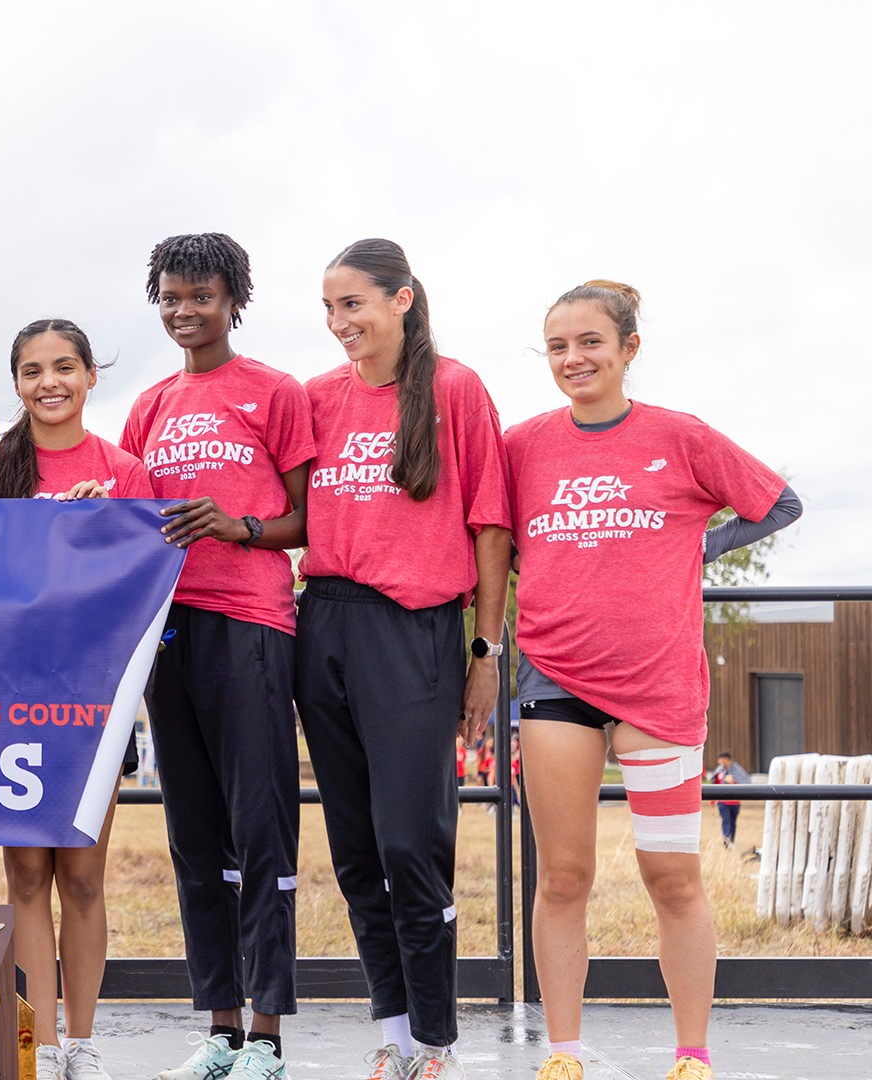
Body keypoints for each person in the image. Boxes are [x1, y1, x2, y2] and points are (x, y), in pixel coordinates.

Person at [508, 281, 798, 1080]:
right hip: (555, 680)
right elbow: (488, 533)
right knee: (562, 877)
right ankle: (563, 1053)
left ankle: (692, 1054)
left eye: (590, 342)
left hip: (658, 687)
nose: (573, 358)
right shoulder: (522, 444)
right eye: (558, 346)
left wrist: (700, 547)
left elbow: (779, 503)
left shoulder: (680, 435)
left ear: (628, 348)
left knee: (672, 877)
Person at [297, 239, 511, 1080]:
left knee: (409, 846)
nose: (338, 321)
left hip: (414, 629)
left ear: (403, 299)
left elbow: (491, 525)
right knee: (354, 850)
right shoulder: (316, 397)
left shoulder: (454, 389)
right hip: (324, 621)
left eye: (352, 303)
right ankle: (392, 1035)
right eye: (328, 307)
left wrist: (485, 651)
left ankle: (437, 1041)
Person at [117, 233, 309, 1080]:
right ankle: (221, 1030)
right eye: (170, 296)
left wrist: (241, 527)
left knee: (259, 830)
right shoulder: (149, 406)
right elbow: (128, 516)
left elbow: (310, 518)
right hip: (170, 630)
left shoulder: (275, 392)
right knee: (195, 837)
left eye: (200, 295)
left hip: (252, 623)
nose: (184, 310)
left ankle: (268, 1034)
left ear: (234, 299)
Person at [0, 319, 152, 1080]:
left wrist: (107, 531)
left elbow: (142, 591)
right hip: (7, 706)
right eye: (32, 371)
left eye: (65, 367)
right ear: (16, 384)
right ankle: (39, 1042)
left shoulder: (123, 472)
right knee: (26, 876)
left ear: (91, 375)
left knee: (84, 877)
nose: (49, 383)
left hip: (93, 709)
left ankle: (83, 1041)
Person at [710, 752, 751, 850]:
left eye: (720, 759)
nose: (719, 762)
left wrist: (733, 782)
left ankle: (731, 840)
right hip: (723, 801)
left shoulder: (737, 770)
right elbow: (715, 784)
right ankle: (726, 839)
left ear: (725, 759)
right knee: (726, 820)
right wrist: (712, 798)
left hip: (735, 802)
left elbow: (745, 782)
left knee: (733, 822)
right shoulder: (719, 771)